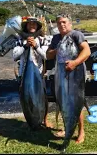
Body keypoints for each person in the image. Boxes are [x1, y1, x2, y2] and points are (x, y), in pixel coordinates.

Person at [46, 14, 91, 144]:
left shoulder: (76, 34)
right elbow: (48, 55)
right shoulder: (55, 38)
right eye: (59, 23)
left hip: (75, 73)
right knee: (63, 101)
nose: (62, 25)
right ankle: (68, 128)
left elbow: (87, 51)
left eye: (64, 22)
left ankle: (81, 131)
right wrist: (55, 50)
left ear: (70, 23)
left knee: (77, 101)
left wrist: (75, 63)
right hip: (60, 73)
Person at [12, 15, 53, 128]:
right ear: (26, 26)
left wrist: (35, 46)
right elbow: (14, 56)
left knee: (43, 97)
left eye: (34, 24)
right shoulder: (20, 40)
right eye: (30, 24)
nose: (32, 25)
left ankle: (44, 120)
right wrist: (25, 46)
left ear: (37, 26)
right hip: (24, 74)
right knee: (25, 97)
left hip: (39, 73)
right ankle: (29, 119)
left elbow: (45, 56)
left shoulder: (42, 39)